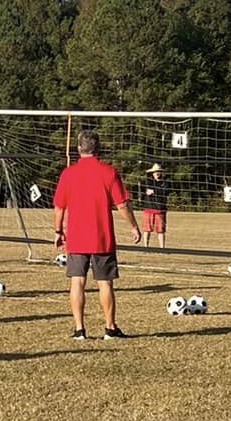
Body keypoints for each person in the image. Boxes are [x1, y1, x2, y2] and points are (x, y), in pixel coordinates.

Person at [51, 129, 142, 340]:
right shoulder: (109, 172)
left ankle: (79, 330)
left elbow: (59, 207)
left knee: (77, 282)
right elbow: (122, 204)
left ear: (78, 149)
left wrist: (58, 231)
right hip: (102, 237)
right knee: (105, 283)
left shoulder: (68, 173)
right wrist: (134, 226)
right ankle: (110, 328)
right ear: (98, 149)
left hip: (76, 237)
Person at [136, 162, 170, 248]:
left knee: (160, 230)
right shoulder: (148, 181)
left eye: (159, 171)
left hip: (160, 209)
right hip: (148, 208)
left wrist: (154, 191)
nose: (157, 173)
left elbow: (165, 192)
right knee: (146, 229)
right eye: (155, 172)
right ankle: (145, 246)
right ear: (152, 173)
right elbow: (145, 189)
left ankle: (162, 248)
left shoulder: (165, 183)